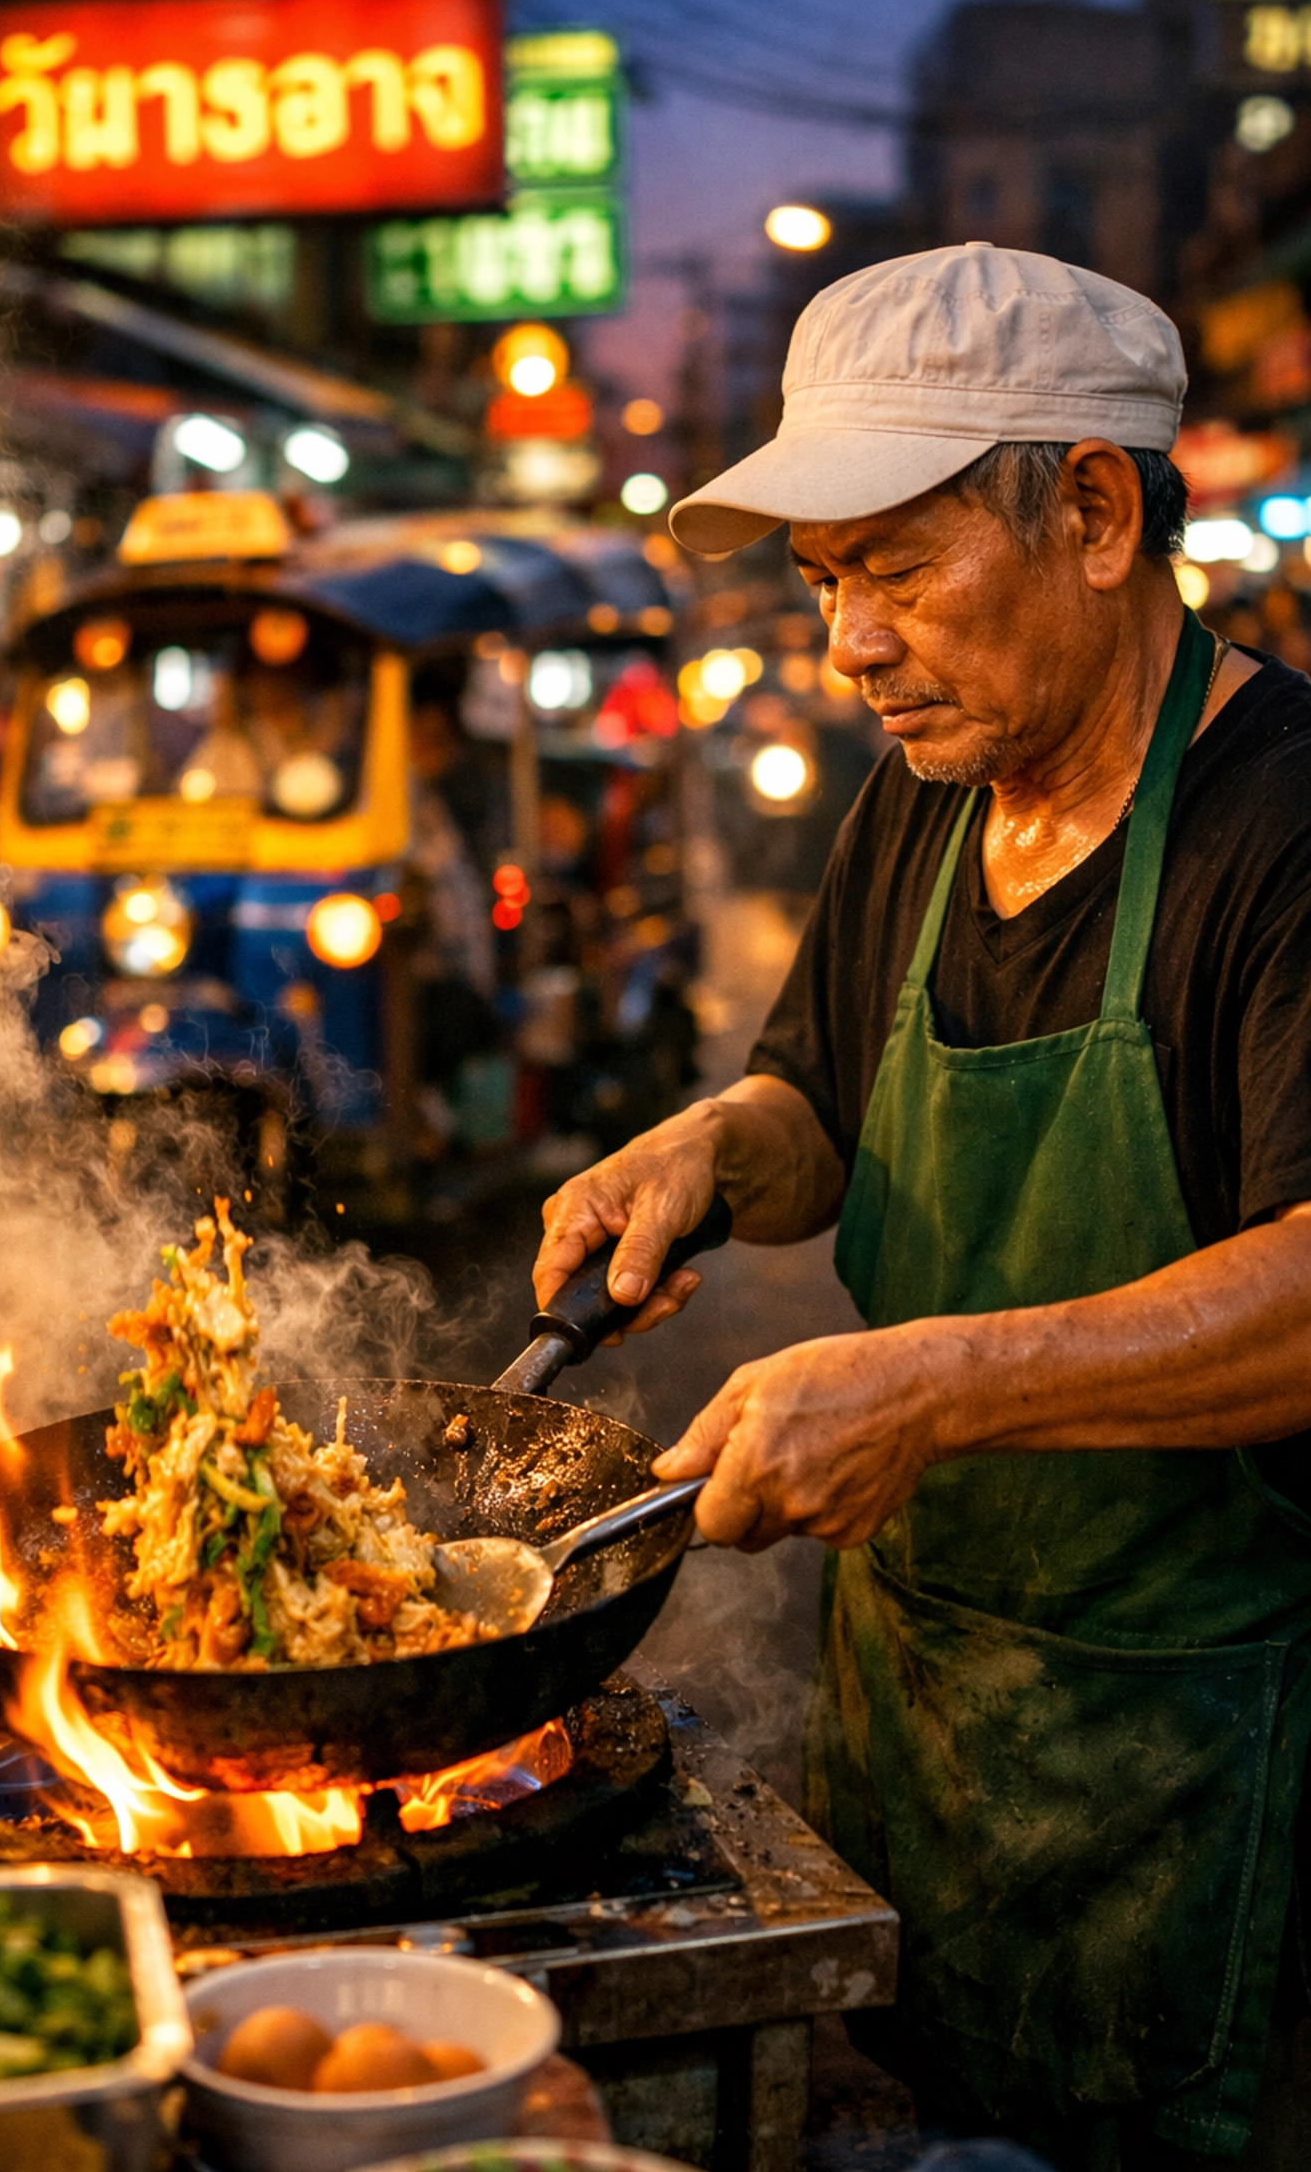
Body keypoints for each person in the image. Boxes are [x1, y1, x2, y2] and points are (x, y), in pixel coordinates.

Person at [532, 245, 1311, 2171]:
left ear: (1098, 512)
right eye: (825, 589)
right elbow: (824, 1099)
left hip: (1200, 1805)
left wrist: (934, 1386)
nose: (846, 649)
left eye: (894, 568)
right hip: (921, 1752)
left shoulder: (1283, 825)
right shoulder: (932, 791)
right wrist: (707, 1150)